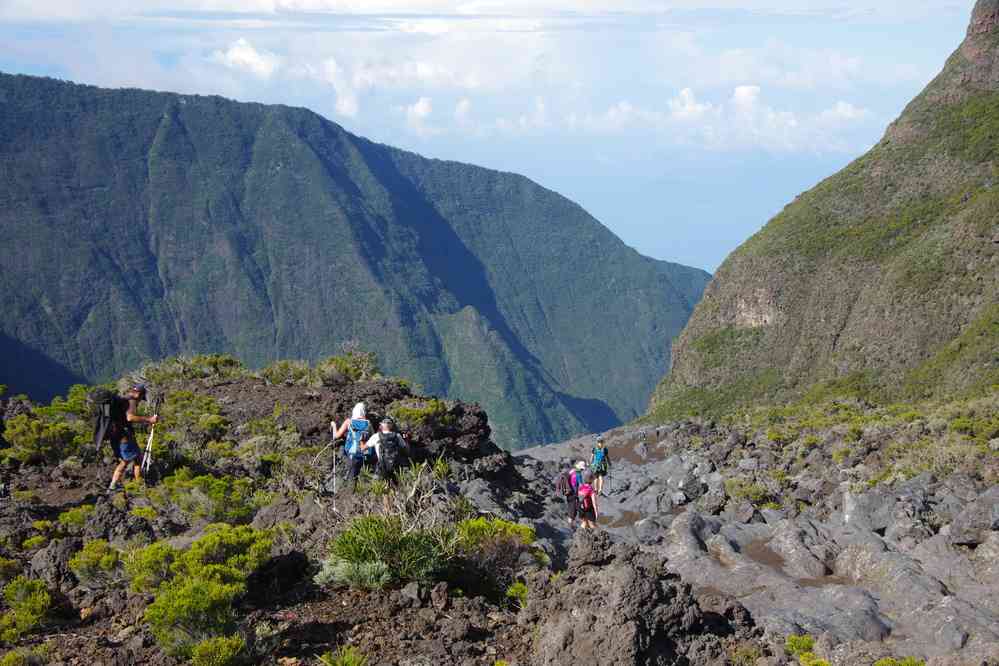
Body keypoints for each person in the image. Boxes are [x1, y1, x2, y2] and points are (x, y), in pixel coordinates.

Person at [107, 384, 158, 494]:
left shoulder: (124, 399)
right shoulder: (132, 401)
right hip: (124, 437)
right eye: (141, 398)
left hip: (115, 435)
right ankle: (119, 486)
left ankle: (129, 484)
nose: (140, 401)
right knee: (127, 461)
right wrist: (149, 420)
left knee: (135, 458)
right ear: (139, 394)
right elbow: (130, 417)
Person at [332, 402, 373, 488]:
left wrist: (334, 425)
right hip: (365, 453)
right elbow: (372, 438)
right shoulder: (368, 423)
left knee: (352, 478)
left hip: (352, 453)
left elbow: (336, 436)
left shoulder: (349, 422)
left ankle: (350, 492)